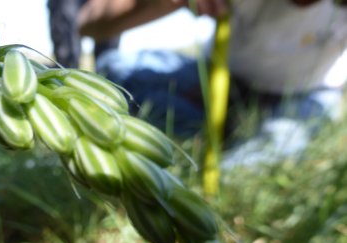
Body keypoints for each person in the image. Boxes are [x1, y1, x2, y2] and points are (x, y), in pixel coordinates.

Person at [76, 0, 347, 168]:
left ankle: (232, 164)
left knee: (280, 145)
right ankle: (218, 136)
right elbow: (88, 24)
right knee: (117, 70)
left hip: (305, 95)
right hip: (219, 81)